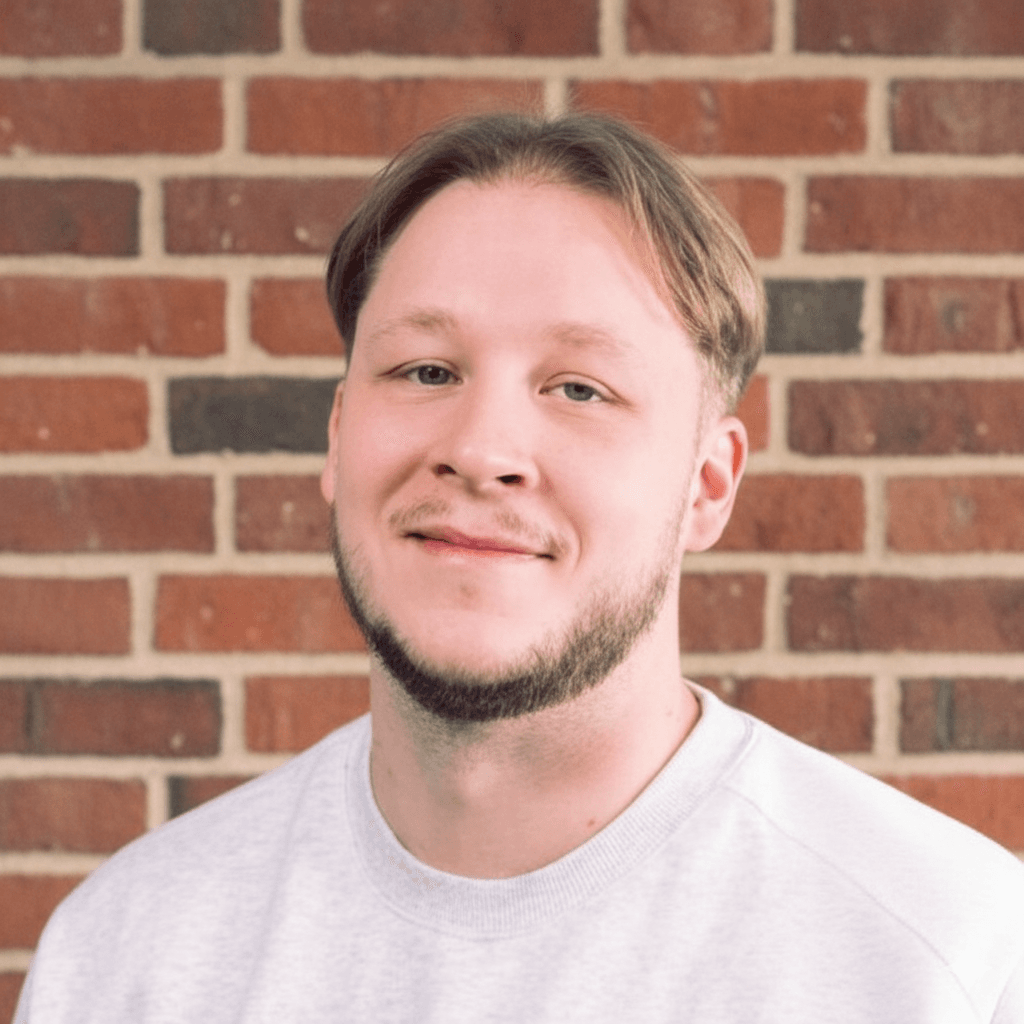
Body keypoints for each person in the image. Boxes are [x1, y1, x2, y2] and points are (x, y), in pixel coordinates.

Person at [15, 111, 1024, 1023]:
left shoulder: (951, 958)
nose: (480, 447)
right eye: (426, 370)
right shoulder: (127, 955)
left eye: (579, 388)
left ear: (707, 484)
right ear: (337, 435)